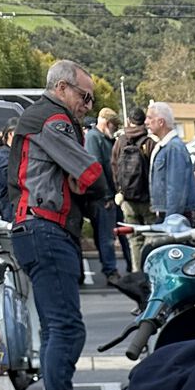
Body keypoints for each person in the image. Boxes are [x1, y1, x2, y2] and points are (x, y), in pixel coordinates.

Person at [8, 59, 113, 390]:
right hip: (45, 228)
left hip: (36, 229)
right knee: (66, 328)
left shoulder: (40, 118)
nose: (87, 104)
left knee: (56, 328)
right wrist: (100, 186)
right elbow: (89, 175)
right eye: (85, 96)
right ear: (64, 88)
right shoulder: (53, 120)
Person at [83, 107, 122, 284]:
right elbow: (96, 169)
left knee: (111, 234)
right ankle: (110, 271)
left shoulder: (104, 139)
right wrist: (106, 196)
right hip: (102, 198)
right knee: (106, 236)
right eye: (114, 125)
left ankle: (117, 268)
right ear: (107, 123)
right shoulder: (94, 138)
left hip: (110, 196)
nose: (115, 129)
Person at [113, 107, 155, 269]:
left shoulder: (120, 141)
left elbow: (114, 167)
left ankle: (137, 271)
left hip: (127, 199)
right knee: (151, 237)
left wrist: (119, 191)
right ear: (143, 121)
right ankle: (150, 270)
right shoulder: (149, 143)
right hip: (147, 199)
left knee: (134, 239)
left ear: (129, 120)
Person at [145, 103, 195, 224]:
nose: (146, 122)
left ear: (161, 122)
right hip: (167, 214)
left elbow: (176, 189)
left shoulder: (173, 148)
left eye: (149, 117)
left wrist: (171, 221)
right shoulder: (165, 146)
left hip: (174, 216)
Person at [0, 123, 15, 220]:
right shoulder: (3, 155)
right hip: (11, 207)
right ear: (10, 134)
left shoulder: (12, 153)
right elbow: (9, 180)